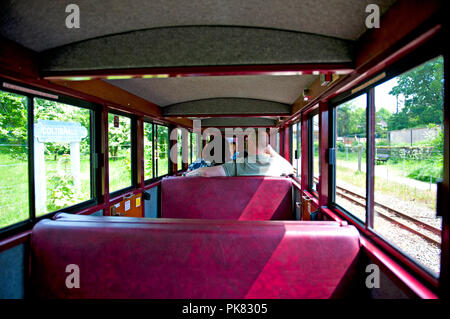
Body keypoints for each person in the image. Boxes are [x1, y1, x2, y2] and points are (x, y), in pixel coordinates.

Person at [184, 133, 294, 177]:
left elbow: (206, 173)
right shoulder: (277, 165)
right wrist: (272, 152)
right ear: (267, 146)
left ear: (249, 143)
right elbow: (290, 168)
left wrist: (186, 175)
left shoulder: (238, 164)